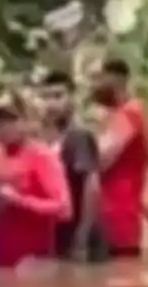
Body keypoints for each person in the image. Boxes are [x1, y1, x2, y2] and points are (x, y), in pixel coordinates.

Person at [0, 91, 71, 268]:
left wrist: (17, 200)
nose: (1, 127)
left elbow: (63, 208)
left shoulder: (42, 155)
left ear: (26, 121)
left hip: (32, 261)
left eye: (9, 120)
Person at [37, 71, 106, 262]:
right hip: (56, 235)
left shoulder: (79, 136)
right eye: (46, 97)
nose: (51, 103)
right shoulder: (41, 139)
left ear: (72, 99)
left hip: (79, 236)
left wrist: (82, 235)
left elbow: (92, 188)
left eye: (58, 96)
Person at [92, 58, 148, 260]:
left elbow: (101, 159)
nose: (90, 86)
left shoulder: (130, 112)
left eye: (95, 78)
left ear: (115, 79)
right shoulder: (116, 114)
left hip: (118, 220)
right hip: (99, 217)